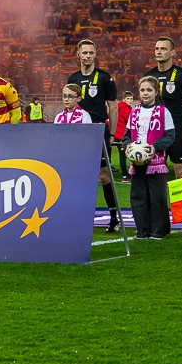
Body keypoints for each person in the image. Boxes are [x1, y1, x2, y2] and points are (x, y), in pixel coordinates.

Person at [141, 37, 182, 234]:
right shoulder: (149, 75)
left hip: (176, 133)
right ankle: (156, 220)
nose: (158, 51)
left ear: (172, 52)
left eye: (163, 49)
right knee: (152, 174)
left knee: (181, 174)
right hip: (154, 134)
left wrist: (179, 122)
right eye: (157, 48)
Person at [65, 40, 120, 231]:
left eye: (90, 53)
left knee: (104, 176)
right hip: (78, 132)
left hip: (98, 130)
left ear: (95, 55)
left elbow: (113, 107)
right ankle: (78, 216)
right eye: (84, 53)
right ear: (78, 55)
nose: (87, 56)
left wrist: (111, 133)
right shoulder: (73, 78)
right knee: (77, 175)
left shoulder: (104, 78)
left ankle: (113, 218)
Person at [123, 76, 175, 240]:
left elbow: (170, 136)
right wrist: (127, 147)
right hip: (137, 161)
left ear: (156, 92)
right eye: (142, 90)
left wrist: (155, 147)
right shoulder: (134, 112)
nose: (145, 93)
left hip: (156, 161)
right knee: (138, 196)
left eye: (149, 90)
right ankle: (142, 230)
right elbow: (126, 136)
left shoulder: (164, 112)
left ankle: (158, 231)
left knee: (157, 197)